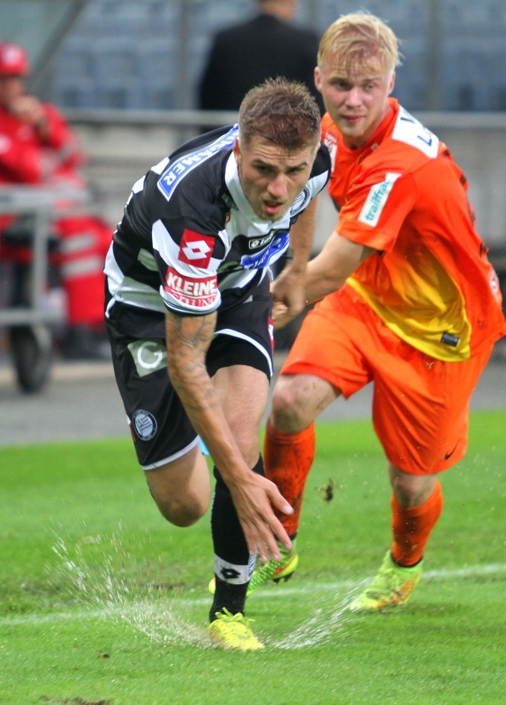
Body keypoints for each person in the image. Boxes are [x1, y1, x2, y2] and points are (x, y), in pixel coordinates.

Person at [257, 12, 506, 611]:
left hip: (442, 331)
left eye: (369, 86)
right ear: (318, 79)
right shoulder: (325, 134)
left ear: (391, 84)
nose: (354, 99)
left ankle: (404, 562)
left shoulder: (399, 163)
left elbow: (326, 272)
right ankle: (278, 541)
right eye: (342, 84)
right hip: (368, 295)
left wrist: (232, 310)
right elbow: (306, 194)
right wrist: (282, 267)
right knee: (290, 402)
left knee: (411, 479)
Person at [104, 78, 331, 650]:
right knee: (186, 505)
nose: (278, 189)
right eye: (263, 171)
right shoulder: (191, 213)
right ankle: (217, 459)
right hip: (147, 308)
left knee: (238, 435)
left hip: (237, 291)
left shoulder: (311, 162)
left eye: (293, 171)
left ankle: (228, 610)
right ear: (237, 149)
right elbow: (185, 362)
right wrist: (241, 479)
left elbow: (307, 198)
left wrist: (298, 268)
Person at [0, 43, 111, 358]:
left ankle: (99, 325)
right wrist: (50, 163)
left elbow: (74, 154)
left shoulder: (36, 112)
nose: (10, 86)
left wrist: (43, 125)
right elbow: (25, 169)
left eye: (15, 78)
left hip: (42, 207)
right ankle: (79, 331)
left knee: (106, 238)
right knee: (78, 235)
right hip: (5, 213)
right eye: (2, 78)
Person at [198, 0, 321, 113]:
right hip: (285, 133)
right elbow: (315, 98)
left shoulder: (225, 39)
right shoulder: (304, 41)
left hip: (231, 132)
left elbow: (207, 96)